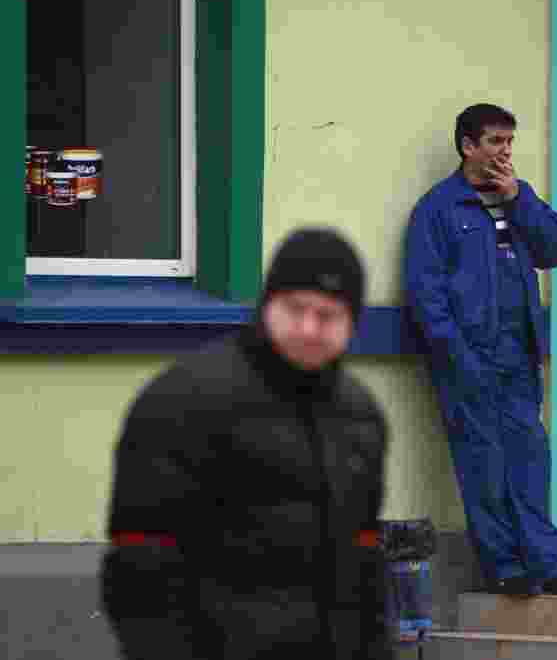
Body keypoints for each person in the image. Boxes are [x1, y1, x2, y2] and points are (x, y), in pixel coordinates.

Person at [100, 227, 393, 660]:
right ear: (267, 305)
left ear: (351, 324)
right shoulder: (185, 399)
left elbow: (364, 565)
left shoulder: (361, 417)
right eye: (296, 309)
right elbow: (141, 566)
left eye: (328, 315)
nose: (309, 328)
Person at [404, 103, 557, 596]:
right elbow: (426, 294)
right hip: (467, 357)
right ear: (468, 146)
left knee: (529, 458)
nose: (505, 152)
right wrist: (455, 353)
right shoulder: (439, 210)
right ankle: (504, 565)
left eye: (509, 142)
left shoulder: (518, 198)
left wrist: (519, 199)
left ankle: (546, 562)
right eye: (496, 142)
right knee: (482, 462)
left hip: (517, 355)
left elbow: (556, 250)